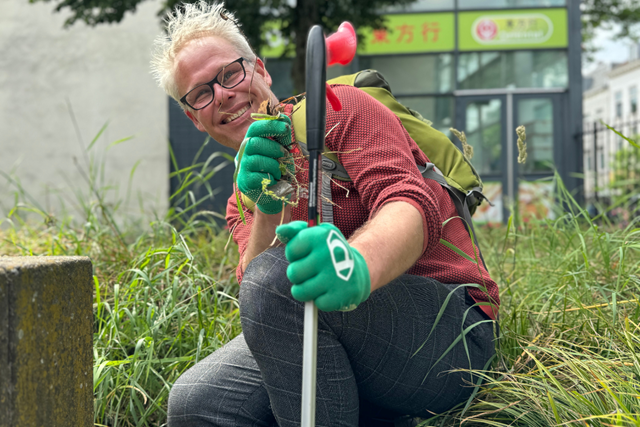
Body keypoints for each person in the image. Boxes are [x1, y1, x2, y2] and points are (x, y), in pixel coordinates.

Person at [150, 2, 499, 426]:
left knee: (279, 281)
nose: (223, 94)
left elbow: (406, 202)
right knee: (196, 402)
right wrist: (266, 206)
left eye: (230, 73)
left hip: (450, 332)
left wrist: (354, 265)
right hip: (342, 341)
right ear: (194, 119)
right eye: (202, 93)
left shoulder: (339, 108)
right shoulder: (240, 199)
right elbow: (258, 302)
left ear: (261, 70)